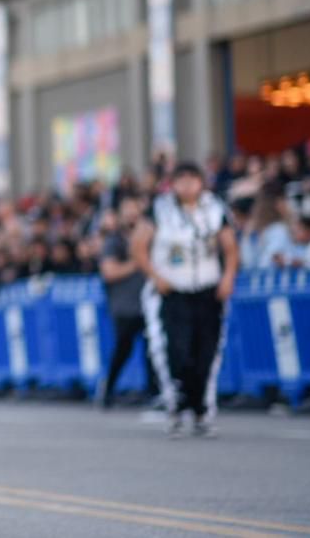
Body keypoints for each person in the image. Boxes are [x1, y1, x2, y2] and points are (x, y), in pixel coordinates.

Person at [133, 162, 239, 438]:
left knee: (207, 351)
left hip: (206, 289)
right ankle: (176, 405)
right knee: (175, 351)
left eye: (193, 178)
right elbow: (138, 246)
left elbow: (230, 247)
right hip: (172, 290)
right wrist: (156, 277)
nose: (188, 185)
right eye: (181, 179)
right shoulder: (159, 209)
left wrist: (228, 277)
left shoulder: (214, 209)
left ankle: (202, 409)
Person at [97, 194, 153, 409]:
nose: (131, 214)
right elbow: (109, 271)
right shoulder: (114, 241)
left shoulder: (150, 237)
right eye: (127, 209)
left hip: (148, 302)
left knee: (153, 350)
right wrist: (137, 262)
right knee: (123, 349)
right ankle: (108, 390)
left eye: (134, 209)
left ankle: (154, 393)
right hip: (124, 306)